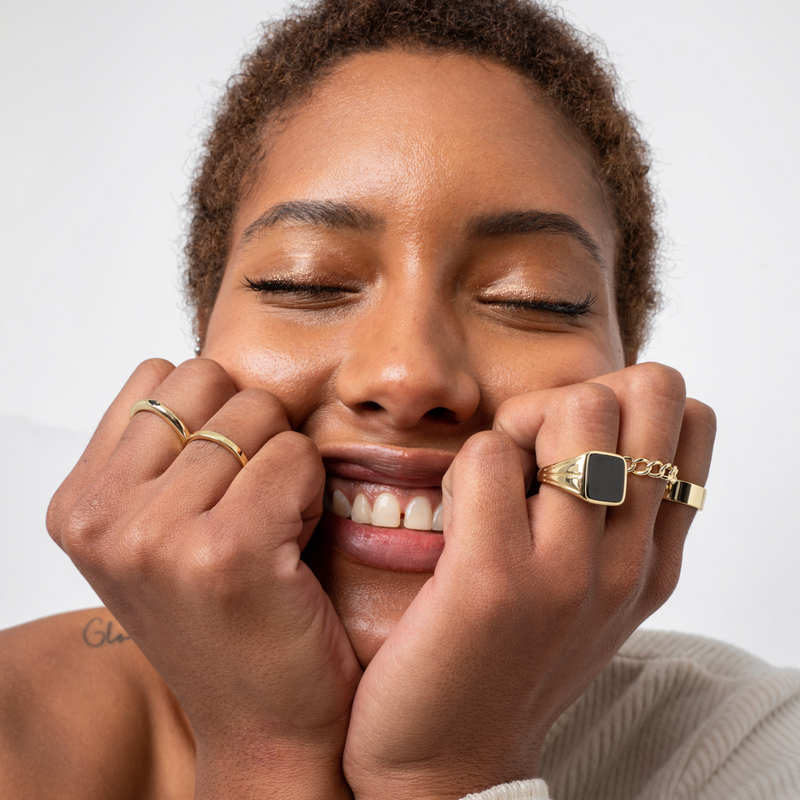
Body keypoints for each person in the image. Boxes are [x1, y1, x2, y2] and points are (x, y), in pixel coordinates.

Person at [0, 1, 797, 798]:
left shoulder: (756, 746)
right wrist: (267, 753)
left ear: (627, 369)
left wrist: (440, 772)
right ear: (201, 336)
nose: (409, 378)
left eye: (536, 298)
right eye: (304, 282)